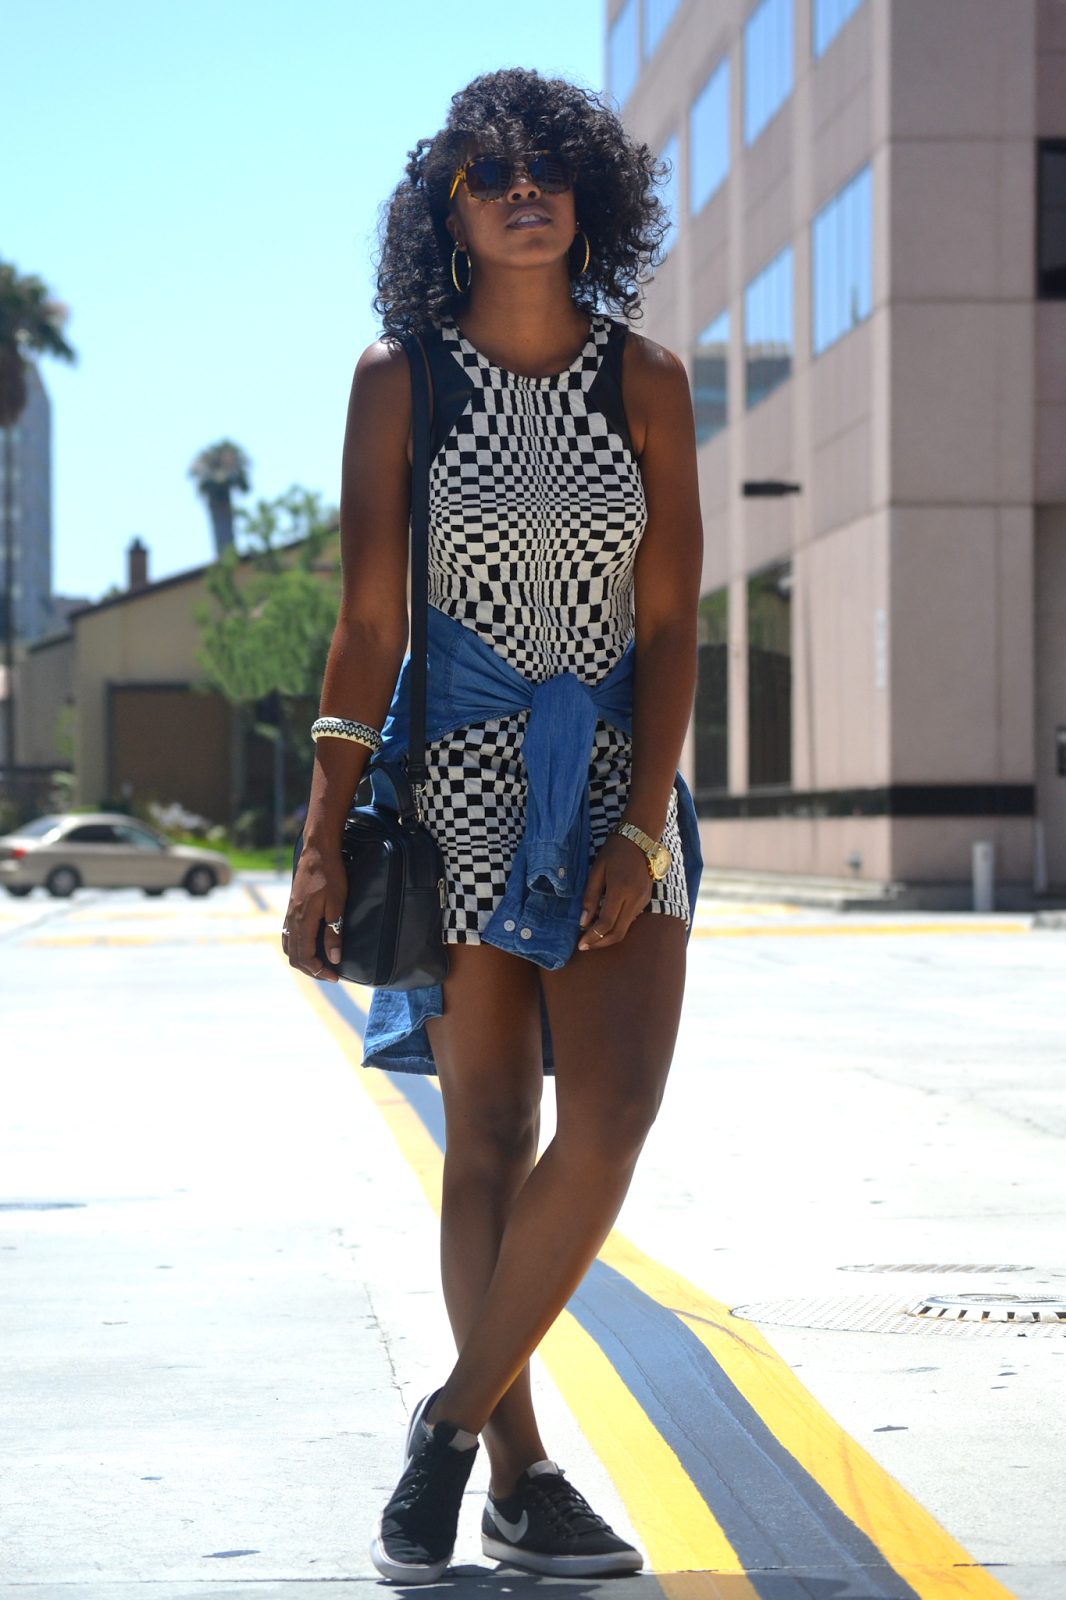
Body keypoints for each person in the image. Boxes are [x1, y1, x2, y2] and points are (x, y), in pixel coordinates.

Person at [282, 68, 703, 1584]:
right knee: (489, 1138)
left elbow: (671, 623)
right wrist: (322, 839)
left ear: (588, 196)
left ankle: (448, 1424)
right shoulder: (400, 379)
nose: (522, 189)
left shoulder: (645, 379)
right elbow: (370, 624)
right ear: (447, 211)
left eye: (546, 168)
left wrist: (640, 830)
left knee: (613, 1117)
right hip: (455, 787)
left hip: (615, 782)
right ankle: (520, 1480)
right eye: (488, 172)